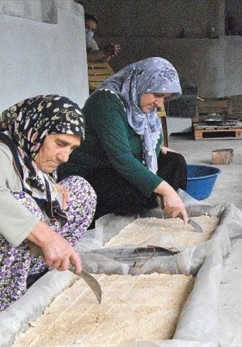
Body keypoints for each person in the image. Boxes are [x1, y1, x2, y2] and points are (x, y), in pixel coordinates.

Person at [0, 95, 96, 326]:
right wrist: (47, 237)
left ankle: (31, 274)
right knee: (22, 205)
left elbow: (26, 184)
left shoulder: (29, 155)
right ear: (35, 130)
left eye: (72, 148)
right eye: (60, 143)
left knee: (80, 189)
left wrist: (48, 187)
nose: (65, 156)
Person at [59, 57, 190, 224]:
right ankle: (136, 217)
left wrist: (157, 147)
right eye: (157, 95)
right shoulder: (105, 102)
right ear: (141, 83)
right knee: (134, 192)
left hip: (115, 168)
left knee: (174, 162)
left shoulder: (140, 105)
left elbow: (149, 138)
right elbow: (122, 158)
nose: (159, 104)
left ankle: (171, 212)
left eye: (165, 98)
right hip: (92, 173)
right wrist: (166, 190)